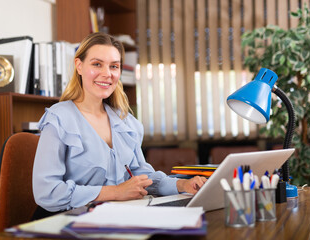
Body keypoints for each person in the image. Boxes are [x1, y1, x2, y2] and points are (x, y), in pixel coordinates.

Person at [32, 32, 207, 219]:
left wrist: (181, 185)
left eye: (114, 66)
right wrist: (115, 192)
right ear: (79, 66)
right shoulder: (58, 118)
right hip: (64, 221)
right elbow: (47, 192)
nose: (107, 74)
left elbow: (142, 176)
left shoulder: (126, 123)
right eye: (97, 64)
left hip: (110, 218)